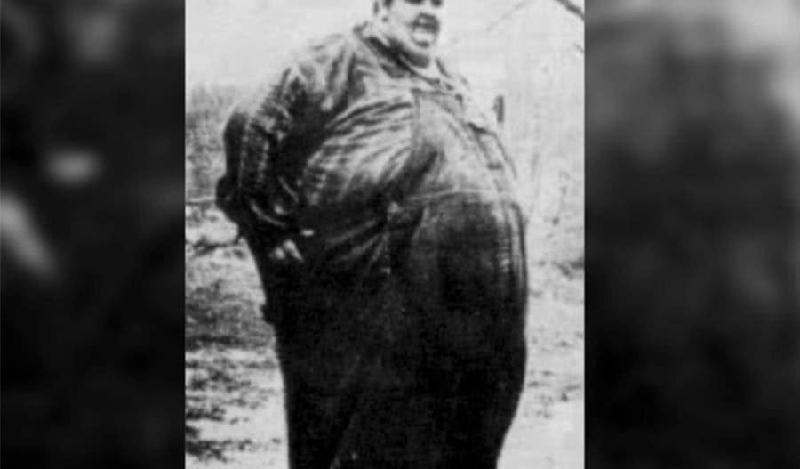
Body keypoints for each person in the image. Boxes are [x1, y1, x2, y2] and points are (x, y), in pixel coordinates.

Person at [217, 0, 528, 467]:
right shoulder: (341, 58)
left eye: (438, 2)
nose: (429, 11)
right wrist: (268, 227)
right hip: (381, 305)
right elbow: (252, 121)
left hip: (479, 316)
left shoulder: (450, 77)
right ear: (381, 8)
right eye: (415, 0)